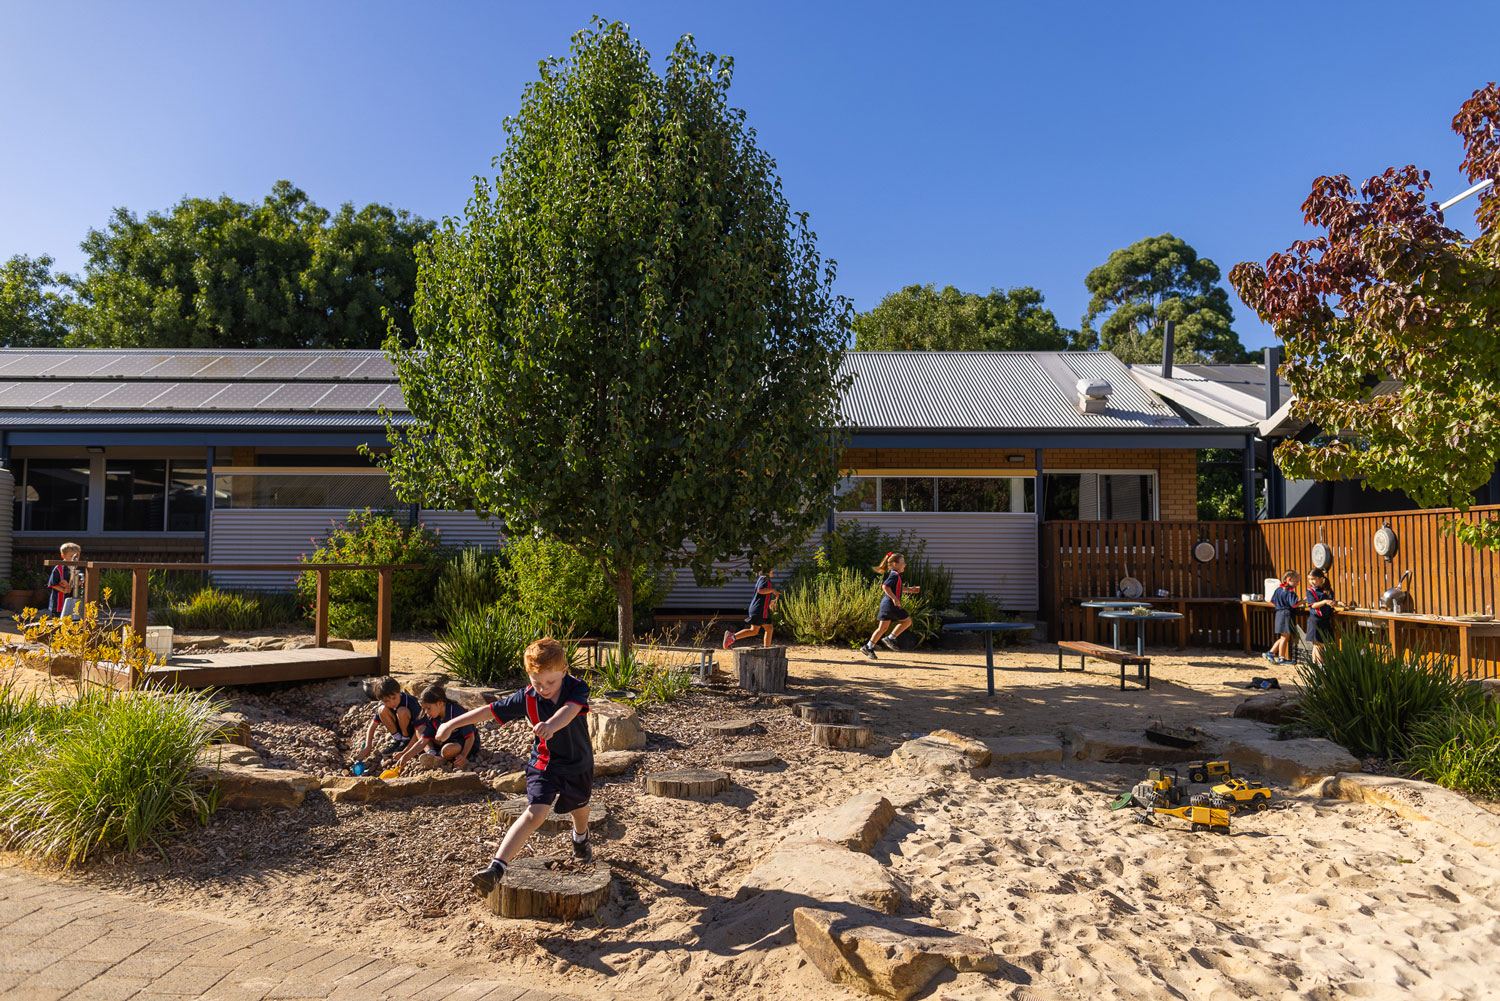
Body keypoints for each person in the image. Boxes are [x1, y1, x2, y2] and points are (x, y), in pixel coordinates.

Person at [441, 637, 594, 896]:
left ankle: (580, 837)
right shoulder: (526, 697)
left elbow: (568, 712)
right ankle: (495, 869)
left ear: (564, 671)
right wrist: (452, 724)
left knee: (579, 808)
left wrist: (550, 726)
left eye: (551, 682)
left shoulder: (576, 688)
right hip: (544, 763)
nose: (544, 689)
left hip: (577, 763)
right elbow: (489, 710)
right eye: (537, 683)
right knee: (535, 813)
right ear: (528, 677)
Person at [392, 684, 476, 772]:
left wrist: (463, 755)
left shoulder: (458, 712)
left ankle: (440, 757)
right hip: (443, 741)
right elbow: (422, 741)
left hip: (460, 742)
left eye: (428, 708)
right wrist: (405, 756)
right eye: (424, 709)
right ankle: (432, 753)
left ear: (440, 703)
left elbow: (470, 737)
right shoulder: (432, 717)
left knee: (447, 750)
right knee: (421, 730)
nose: (426, 712)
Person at [859, 552, 920, 659]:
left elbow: (896, 588)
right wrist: (894, 599)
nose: (905, 565)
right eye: (903, 562)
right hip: (891, 605)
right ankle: (890, 638)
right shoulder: (894, 575)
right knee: (907, 621)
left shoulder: (895, 575)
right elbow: (885, 586)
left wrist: (910, 590)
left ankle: (868, 647)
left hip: (887, 605)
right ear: (895, 564)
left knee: (882, 628)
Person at [357, 677, 421, 768]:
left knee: (401, 711)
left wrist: (407, 750)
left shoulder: (411, 702)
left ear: (399, 692)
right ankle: (397, 739)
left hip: (412, 733)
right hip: (399, 730)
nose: (391, 703)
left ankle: (405, 740)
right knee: (381, 710)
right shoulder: (384, 705)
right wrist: (368, 746)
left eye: (394, 698)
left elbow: (420, 729)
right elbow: (373, 725)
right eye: (387, 701)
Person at [724, 568, 780, 650]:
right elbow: (760, 590)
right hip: (759, 610)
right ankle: (732, 637)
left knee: (765, 629)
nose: (773, 571)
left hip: (761, 610)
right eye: (771, 569)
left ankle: (766, 649)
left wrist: (770, 602)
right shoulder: (764, 579)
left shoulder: (764, 579)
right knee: (758, 630)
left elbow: (763, 595)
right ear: (766, 571)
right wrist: (772, 590)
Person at [1305, 568, 1343, 664]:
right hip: (1315, 621)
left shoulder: (1328, 591)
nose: (1311, 581)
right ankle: (1321, 666)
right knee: (1318, 645)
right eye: (1309, 579)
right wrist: (1325, 602)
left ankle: (1316, 666)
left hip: (1325, 620)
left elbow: (1330, 603)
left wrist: (1338, 603)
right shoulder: (1310, 591)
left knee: (1318, 645)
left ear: (1321, 578)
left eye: (1313, 579)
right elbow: (1313, 605)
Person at [1265, 571, 1301, 665]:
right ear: (1289, 579)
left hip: (1279, 613)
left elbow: (1272, 602)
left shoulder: (1278, 590)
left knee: (1283, 636)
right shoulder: (1289, 592)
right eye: (1297, 581)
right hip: (1286, 614)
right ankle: (1281, 658)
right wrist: (1303, 601)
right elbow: (1294, 604)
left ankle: (1271, 652)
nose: (1298, 584)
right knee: (1285, 637)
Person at [46, 543, 83, 618]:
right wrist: (64, 590)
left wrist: (72, 586)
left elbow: (81, 580)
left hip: (73, 597)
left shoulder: (79, 567)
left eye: (77, 556)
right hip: (58, 601)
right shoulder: (58, 568)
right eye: (72, 556)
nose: (75, 558)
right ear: (63, 556)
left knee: (73, 616)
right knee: (58, 619)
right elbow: (53, 584)